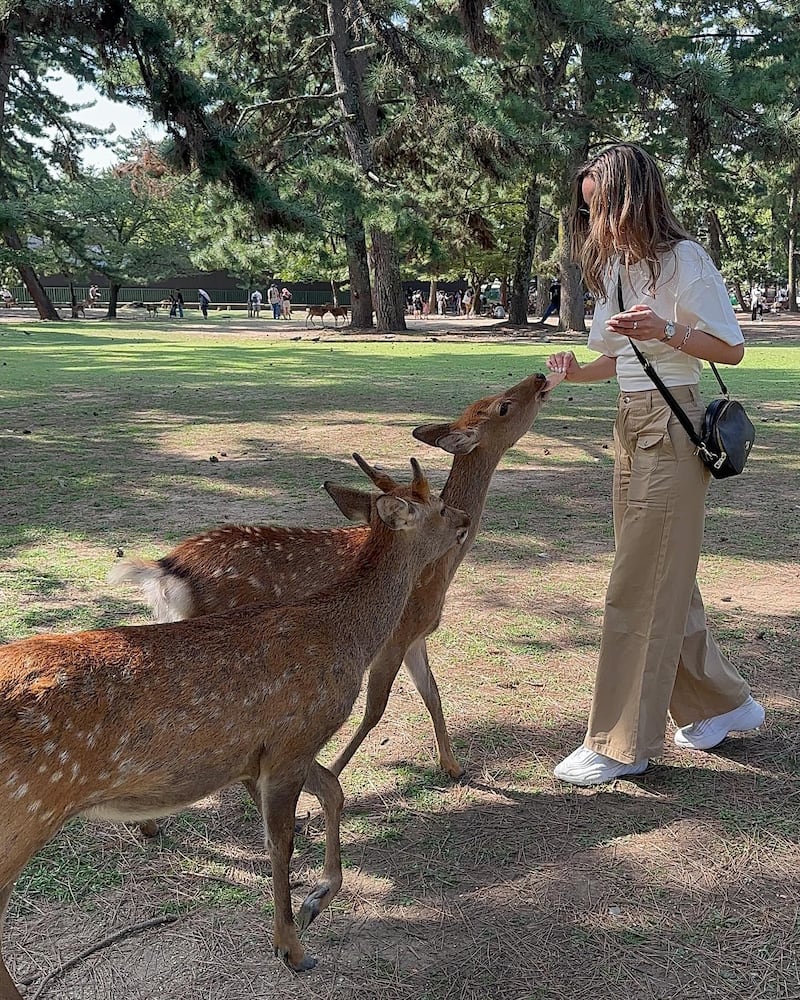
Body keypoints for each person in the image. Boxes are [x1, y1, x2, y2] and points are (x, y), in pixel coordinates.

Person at [546, 143, 764, 787]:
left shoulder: (685, 260)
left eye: (601, 207)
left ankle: (621, 744)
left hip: (675, 426)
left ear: (631, 200)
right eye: (588, 210)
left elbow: (731, 346)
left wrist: (667, 330)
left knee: (638, 583)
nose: (594, 223)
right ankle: (722, 704)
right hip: (631, 424)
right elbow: (620, 358)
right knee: (661, 571)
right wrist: (577, 371)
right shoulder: (618, 267)